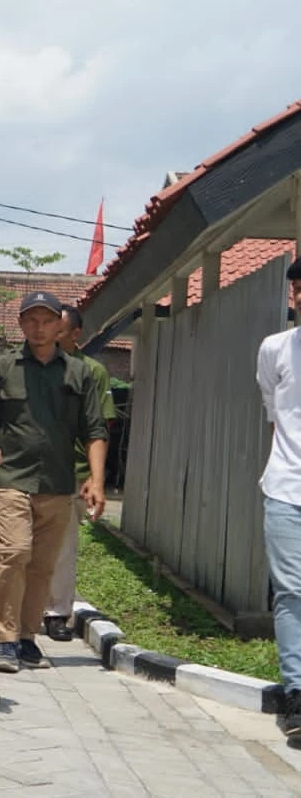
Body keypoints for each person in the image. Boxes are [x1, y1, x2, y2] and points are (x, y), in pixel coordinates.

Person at [0, 292, 107, 674]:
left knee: (42, 566)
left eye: (47, 321)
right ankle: (4, 638)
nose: (39, 328)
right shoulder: (3, 368)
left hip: (58, 482)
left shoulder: (79, 373)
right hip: (11, 478)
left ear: (59, 326)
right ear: (21, 324)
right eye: (31, 320)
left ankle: (26, 637)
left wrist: (97, 480)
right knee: (15, 553)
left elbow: (95, 430)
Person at [43, 304, 116, 641]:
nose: (49, 336)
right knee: (6, 541)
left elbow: (101, 427)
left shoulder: (91, 373)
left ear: (75, 335)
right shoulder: (24, 366)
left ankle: (56, 612)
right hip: (27, 469)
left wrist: (95, 477)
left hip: (72, 471)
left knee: (63, 545)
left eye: (57, 331)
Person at [257, 260, 301, 739]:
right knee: (290, 592)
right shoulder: (275, 348)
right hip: (286, 488)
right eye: (300, 288)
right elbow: (275, 414)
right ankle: (297, 693)